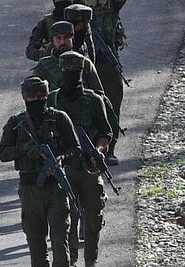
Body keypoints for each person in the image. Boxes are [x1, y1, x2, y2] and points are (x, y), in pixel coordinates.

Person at [0, 76, 80, 267]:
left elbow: (74, 148)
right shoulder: (16, 123)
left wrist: (61, 159)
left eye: (41, 96)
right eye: (32, 97)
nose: (37, 101)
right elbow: (3, 153)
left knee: (59, 239)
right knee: (35, 241)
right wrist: (24, 149)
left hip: (55, 188)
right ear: (25, 98)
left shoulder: (59, 118)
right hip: (29, 189)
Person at [48, 50, 112, 267]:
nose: (70, 75)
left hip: (88, 166)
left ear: (82, 73)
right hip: (64, 168)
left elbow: (105, 132)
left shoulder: (94, 100)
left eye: (75, 71)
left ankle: (91, 259)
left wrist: (99, 151)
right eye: (66, 71)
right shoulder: (52, 100)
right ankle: (71, 262)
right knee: (68, 218)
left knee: (93, 215)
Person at [77, 0, 127, 164]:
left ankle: (108, 149)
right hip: (82, 63)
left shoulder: (110, 4)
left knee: (112, 102)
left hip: (107, 63)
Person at [30, 21, 104, 96]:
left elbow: (99, 94)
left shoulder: (85, 63)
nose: (63, 42)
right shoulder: (43, 66)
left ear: (72, 39)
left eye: (66, 37)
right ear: (52, 40)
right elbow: (34, 95)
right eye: (58, 38)